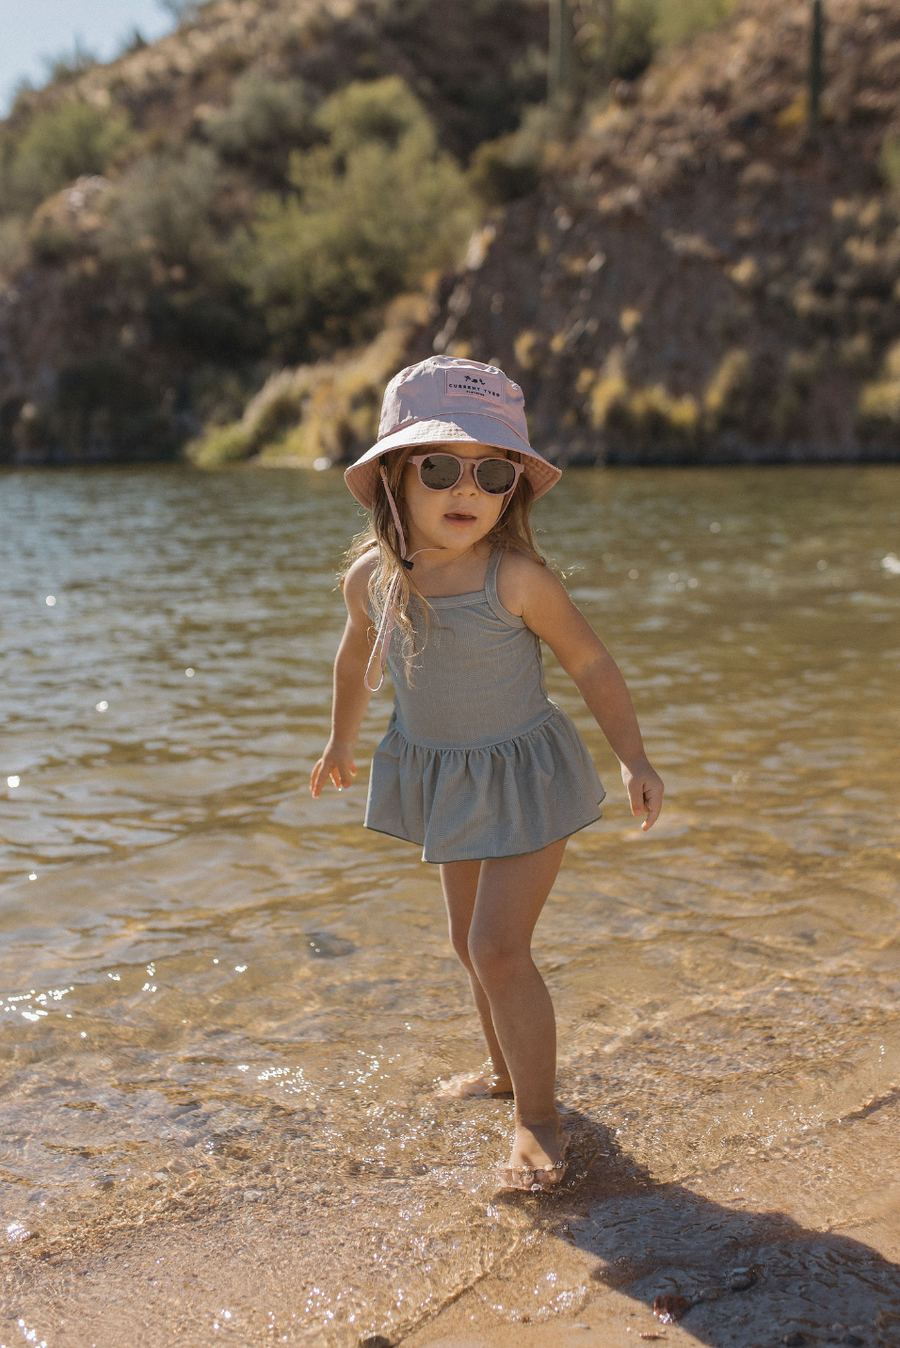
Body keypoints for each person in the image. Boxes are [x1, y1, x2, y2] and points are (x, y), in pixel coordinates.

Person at [311, 355, 663, 1192]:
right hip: (447, 777)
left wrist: (634, 756)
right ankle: (504, 1074)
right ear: (394, 477)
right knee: (467, 949)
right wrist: (338, 742)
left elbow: (593, 665)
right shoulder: (375, 578)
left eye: (492, 471)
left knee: (498, 948)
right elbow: (354, 655)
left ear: (513, 491)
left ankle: (539, 1121)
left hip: (524, 776)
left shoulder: (517, 581)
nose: (464, 488)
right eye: (438, 467)